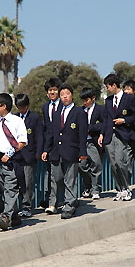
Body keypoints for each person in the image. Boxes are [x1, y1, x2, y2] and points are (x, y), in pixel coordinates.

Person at [41, 84, 88, 218]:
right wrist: (46, 149)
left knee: (70, 179)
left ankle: (69, 205)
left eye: (67, 94)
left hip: (72, 151)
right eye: (62, 95)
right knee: (58, 177)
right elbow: (51, 132)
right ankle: (72, 199)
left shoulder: (80, 112)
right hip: (56, 151)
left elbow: (82, 134)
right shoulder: (56, 114)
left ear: (72, 95)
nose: (64, 96)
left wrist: (82, 152)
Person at [0, 93, 28, 230]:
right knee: (4, 189)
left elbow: (22, 141)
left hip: (12, 161)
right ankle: (14, 216)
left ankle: (6, 216)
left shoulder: (17, 121)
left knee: (11, 188)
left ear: (4, 106)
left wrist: (9, 154)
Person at [99, 73, 135, 201]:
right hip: (109, 136)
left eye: (108, 86)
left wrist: (124, 120)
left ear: (114, 85)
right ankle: (120, 189)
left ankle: (126, 188)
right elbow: (106, 119)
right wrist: (101, 134)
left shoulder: (129, 99)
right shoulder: (108, 101)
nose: (107, 89)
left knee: (120, 162)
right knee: (113, 164)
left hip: (123, 134)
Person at [14, 93, 44, 217]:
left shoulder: (34, 118)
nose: (21, 109)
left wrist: (38, 153)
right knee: (16, 182)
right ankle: (16, 207)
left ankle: (27, 206)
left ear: (27, 106)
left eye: (22, 107)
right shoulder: (14, 118)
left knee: (27, 182)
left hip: (29, 155)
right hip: (16, 156)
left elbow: (39, 136)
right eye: (18, 107)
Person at [79, 88, 106, 199]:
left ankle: (95, 189)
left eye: (87, 100)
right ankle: (88, 186)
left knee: (96, 164)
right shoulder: (80, 111)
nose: (85, 103)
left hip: (93, 141)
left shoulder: (100, 109)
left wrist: (92, 128)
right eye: (83, 101)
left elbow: (105, 124)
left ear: (93, 98)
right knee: (81, 165)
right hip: (82, 142)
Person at [39, 77, 62, 208]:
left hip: (64, 145)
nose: (52, 92)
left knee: (62, 176)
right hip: (50, 146)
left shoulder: (64, 105)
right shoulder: (45, 107)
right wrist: (45, 149)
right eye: (49, 90)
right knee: (52, 175)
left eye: (54, 90)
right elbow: (47, 129)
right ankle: (52, 203)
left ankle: (66, 200)